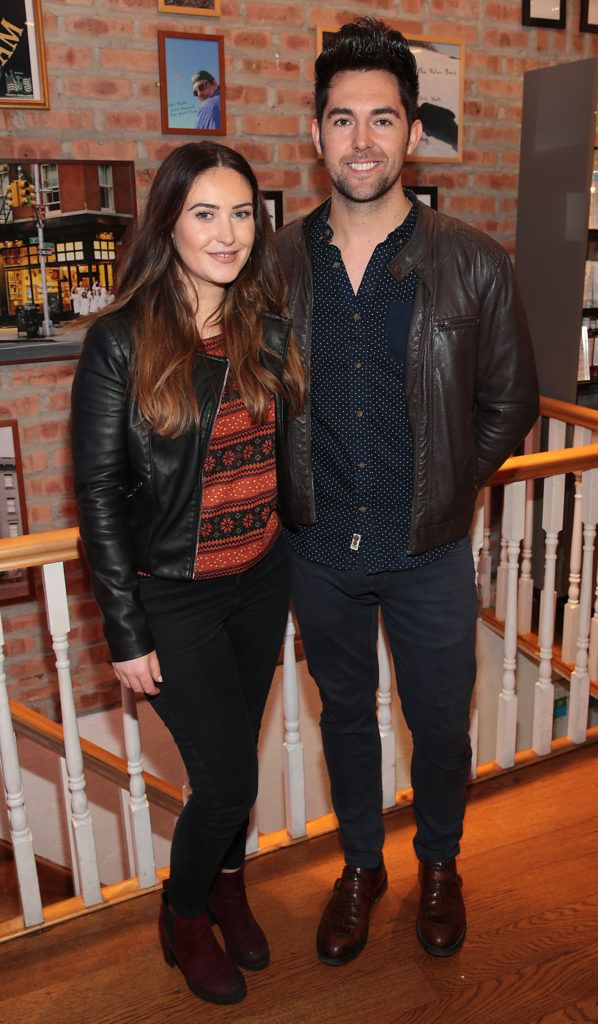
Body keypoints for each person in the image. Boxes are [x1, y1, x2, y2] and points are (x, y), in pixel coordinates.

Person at [275, 17, 539, 965]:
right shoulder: (274, 268)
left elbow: (510, 403)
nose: (361, 141)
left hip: (428, 551)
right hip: (318, 550)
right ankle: (359, 866)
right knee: (342, 714)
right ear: (315, 135)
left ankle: (437, 865)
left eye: (381, 119)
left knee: (438, 720)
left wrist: (446, 487)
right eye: (341, 119)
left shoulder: (473, 259)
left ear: (412, 134)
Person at [71, 142, 305, 1004]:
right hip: (174, 594)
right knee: (229, 780)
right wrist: (124, 634)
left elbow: (283, 457)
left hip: (259, 578)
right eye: (206, 213)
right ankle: (184, 915)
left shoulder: (263, 322)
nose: (229, 232)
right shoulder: (120, 343)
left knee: (235, 756)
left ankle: (227, 884)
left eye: (242, 212)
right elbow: (97, 495)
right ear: (169, 221)